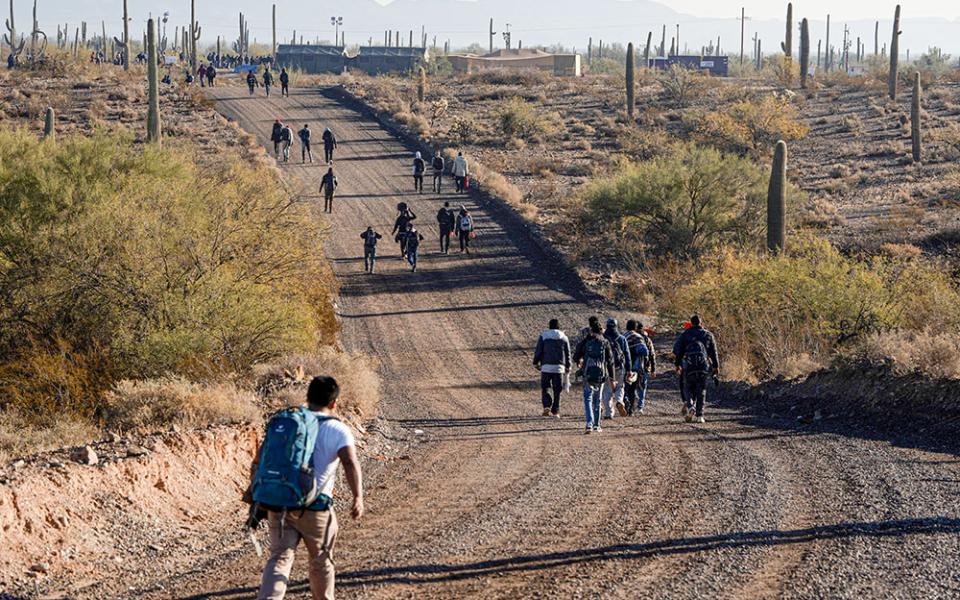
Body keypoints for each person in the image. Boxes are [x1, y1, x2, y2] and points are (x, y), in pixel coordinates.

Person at [254, 376, 364, 600]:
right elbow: (350, 462)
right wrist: (358, 496)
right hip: (316, 508)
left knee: (279, 559)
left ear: (307, 397)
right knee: (321, 561)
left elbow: (258, 461)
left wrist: (255, 496)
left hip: (280, 504)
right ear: (334, 403)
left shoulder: (285, 423)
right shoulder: (337, 429)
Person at [673, 315, 720, 424]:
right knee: (701, 390)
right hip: (703, 367)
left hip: (688, 366)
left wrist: (677, 364)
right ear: (701, 323)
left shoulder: (685, 334)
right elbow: (714, 352)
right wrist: (716, 366)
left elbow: (678, 351)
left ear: (691, 323)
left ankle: (690, 406)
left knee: (688, 387)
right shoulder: (708, 334)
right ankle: (700, 416)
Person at [572, 319, 616, 434]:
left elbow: (575, 357)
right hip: (601, 375)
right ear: (601, 330)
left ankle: (589, 424)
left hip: (588, 374)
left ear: (591, 330)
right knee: (598, 399)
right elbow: (610, 362)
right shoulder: (605, 342)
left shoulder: (587, 341)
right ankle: (597, 425)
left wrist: (580, 360)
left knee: (588, 399)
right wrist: (612, 379)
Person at [533, 318, 572, 418]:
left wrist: (535, 362)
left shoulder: (543, 336)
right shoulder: (564, 337)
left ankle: (546, 405)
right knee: (557, 390)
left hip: (546, 367)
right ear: (559, 327)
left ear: (549, 326)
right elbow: (568, 353)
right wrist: (568, 366)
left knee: (545, 387)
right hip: (559, 368)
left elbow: (539, 350)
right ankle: (556, 411)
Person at [600, 318, 632, 419]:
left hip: (606, 368)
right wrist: (629, 370)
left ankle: (609, 413)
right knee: (620, 387)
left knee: (607, 391)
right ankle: (619, 401)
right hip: (619, 367)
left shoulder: (602, 338)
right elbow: (627, 355)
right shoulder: (621, 338)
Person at [624, 320, 656, 416]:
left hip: (627, 366)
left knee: (628, 387)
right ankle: (639, 407)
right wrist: (652, 368)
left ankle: (628, 406)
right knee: (641, 387)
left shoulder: (625, 337)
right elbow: (650, 354)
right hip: (641, 367)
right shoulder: (644, 339)